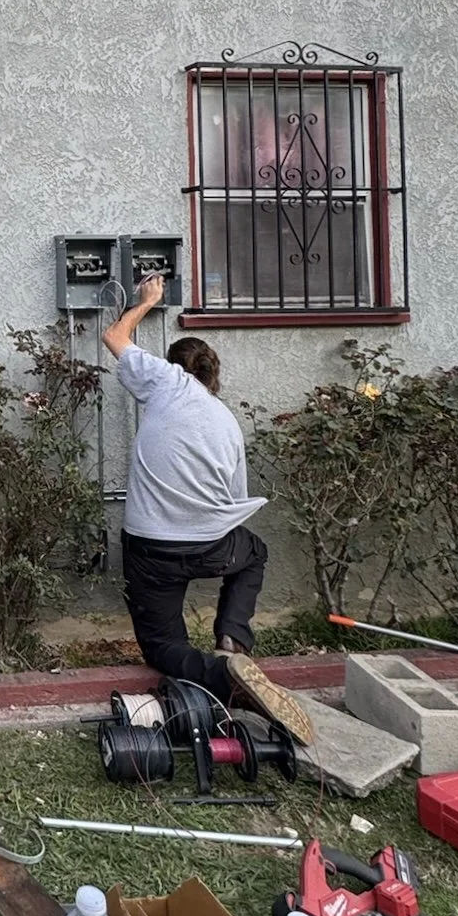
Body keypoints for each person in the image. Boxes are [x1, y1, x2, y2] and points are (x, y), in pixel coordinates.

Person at [103, 273, 314, 746]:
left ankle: (224, 678)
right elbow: (234, 499)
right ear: (213, 375)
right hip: (214, 543)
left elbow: (114, 336)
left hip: (152, 548)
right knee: (253, 552)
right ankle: (232, 642)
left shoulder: (167, 381)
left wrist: (147, 301)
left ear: (172, 367)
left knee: (163, 646)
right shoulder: (226, 420)